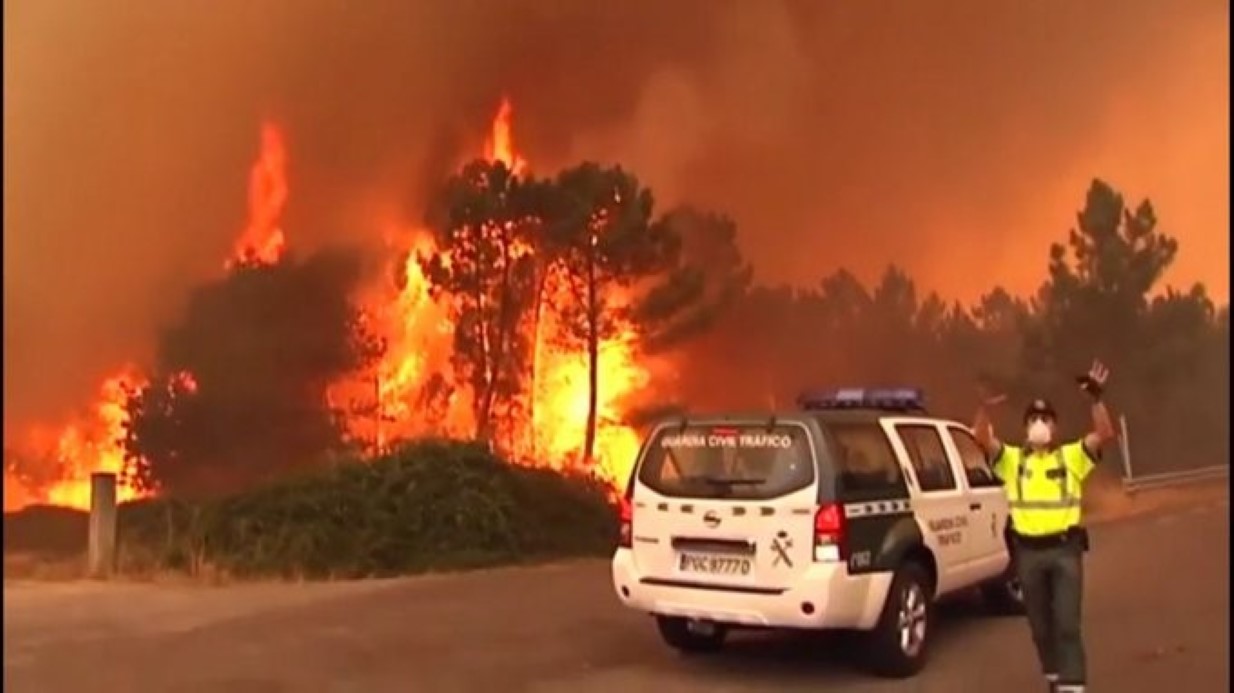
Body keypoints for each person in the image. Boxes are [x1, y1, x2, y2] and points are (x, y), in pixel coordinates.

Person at [972, 360, 1117, 693]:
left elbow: (1104, 435)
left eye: (1045, 419)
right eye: (1034, 419)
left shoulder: (1070, 457)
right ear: (1025, 428)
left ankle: (1073, 685)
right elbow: (982, 440)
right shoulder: (1012, 460)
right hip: (1028, 554)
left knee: (1067, 624)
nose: (1039, 424)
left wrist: (1096, 400)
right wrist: (983, 409)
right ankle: (1054, 676)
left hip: (1065, 551)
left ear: (1055, 427)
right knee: (1039, 627)